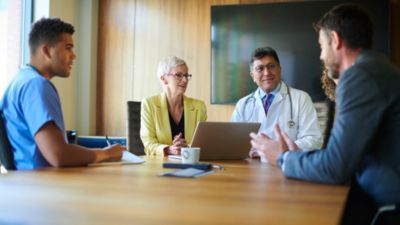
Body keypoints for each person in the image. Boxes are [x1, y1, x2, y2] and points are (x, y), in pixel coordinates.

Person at [250, 4, 400, 224]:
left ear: (336, 40)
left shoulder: (359, 77)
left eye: (322, 46)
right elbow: (342, 155)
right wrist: (297, 155)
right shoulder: (379, 69)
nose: (321, 56)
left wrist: (283, 158)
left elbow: (335, 167)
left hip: (386, 207)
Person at [0, 18, 125, 170]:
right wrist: (106, 154)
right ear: (46, 51)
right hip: (41, 186)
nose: (73, 55)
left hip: (25, 184)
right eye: (68, 47)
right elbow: (58, 155)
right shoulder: (36, 85)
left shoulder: (19, 80)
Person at [231, 46, 323, 157]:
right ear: (252, 75)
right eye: (260, 68)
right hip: (251, 166)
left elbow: (314, 140)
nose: (266, 73)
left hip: (287, 164)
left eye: (271, 66)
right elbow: (234, 142)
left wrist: (281, 149)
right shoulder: (243, 104)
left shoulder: (301, 98)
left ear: (280, 69)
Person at [140, 56, 207, 156]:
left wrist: (187, 148)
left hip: (191, 164)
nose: (185, 80)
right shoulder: (149, 104)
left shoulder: (199, 106)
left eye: (186, 75)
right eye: (178, 75)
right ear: (163, 79)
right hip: (160, 166)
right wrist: (169, 150)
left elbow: (203, 143)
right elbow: (148, 144)